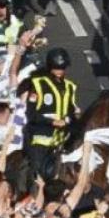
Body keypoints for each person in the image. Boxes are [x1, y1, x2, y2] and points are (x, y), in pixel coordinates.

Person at [23, 46, 78, 185]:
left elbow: (70, 112)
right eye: (56, 68)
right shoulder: (38, 85)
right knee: (37, 177)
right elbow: (31, 114)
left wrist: (73, 116)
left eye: (62, 68)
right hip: (42, 141)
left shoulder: (70, 87)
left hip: (63, 141)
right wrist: (51, 122)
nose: (59, 71)